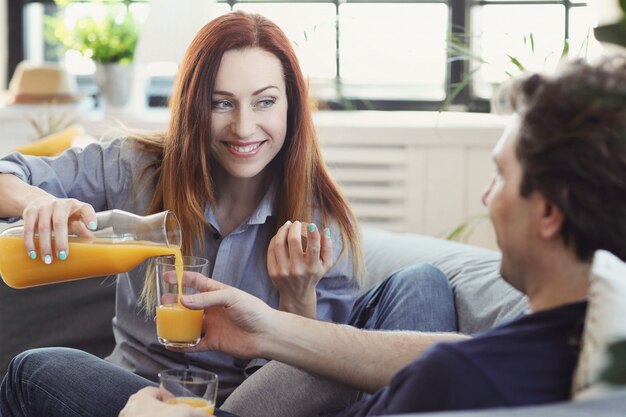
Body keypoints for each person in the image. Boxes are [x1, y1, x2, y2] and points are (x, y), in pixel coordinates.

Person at [120, 54, 626, 416]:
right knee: (423, 281)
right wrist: (273, 327)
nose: (486, 197)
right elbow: (444, 350)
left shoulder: (458, 376)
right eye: (222, 103)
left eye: (500, 176)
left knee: (44, 370)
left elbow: (447, 362)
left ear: (548, 213)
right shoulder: (577, 347)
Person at [0, 10, 371, 410]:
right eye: (221, 103)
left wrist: (298, 299)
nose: (244, 127)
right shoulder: (136, 167)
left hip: (244, 406)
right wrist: (36, 200)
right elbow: (8, 174)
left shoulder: (320, 226)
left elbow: (315, 380)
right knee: (36, 369)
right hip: (132, 397)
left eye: (264, 102)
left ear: (291, 107)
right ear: (194, 106)